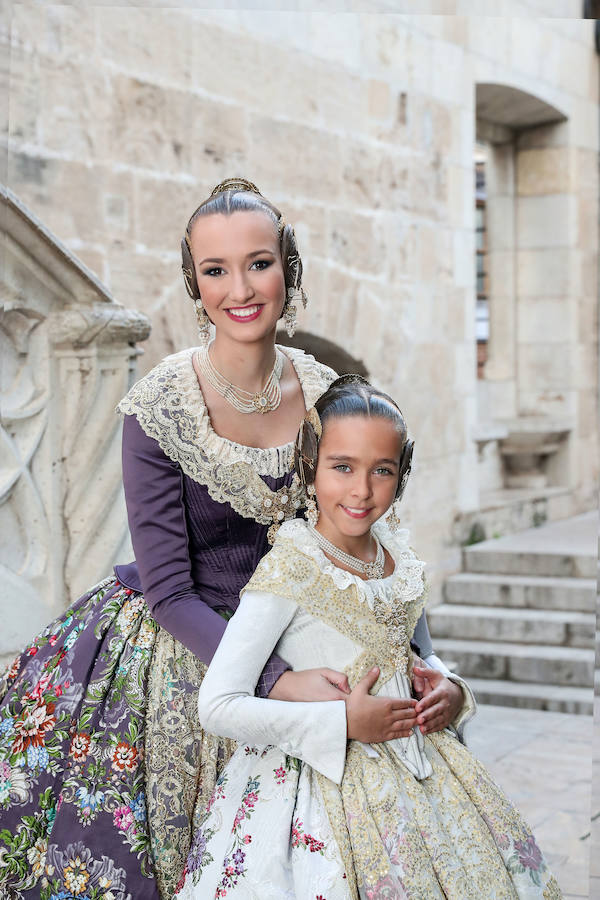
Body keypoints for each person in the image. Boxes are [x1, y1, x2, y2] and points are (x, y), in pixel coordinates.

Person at [0, 180, 457, 900]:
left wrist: (430, 662)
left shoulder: (325, 389)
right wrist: (278, 682)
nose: (239, 288)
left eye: (259, 263)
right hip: (194, 646)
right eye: (215, 271)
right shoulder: (158, 405)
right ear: (195, 282)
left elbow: (378, 539)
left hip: (320, 635)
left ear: (288, 269)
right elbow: (170, 589)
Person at [175, 376, 562, 900]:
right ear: (310, 467)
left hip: (426, 774)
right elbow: (219, 705)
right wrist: (342, 722)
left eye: (382, 471)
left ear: (401, 477)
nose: (361, 490)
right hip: (317, 790)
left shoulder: (398, 558)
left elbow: (421, 654)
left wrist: (450, 687)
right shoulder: (289, 568)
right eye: (342, 468)